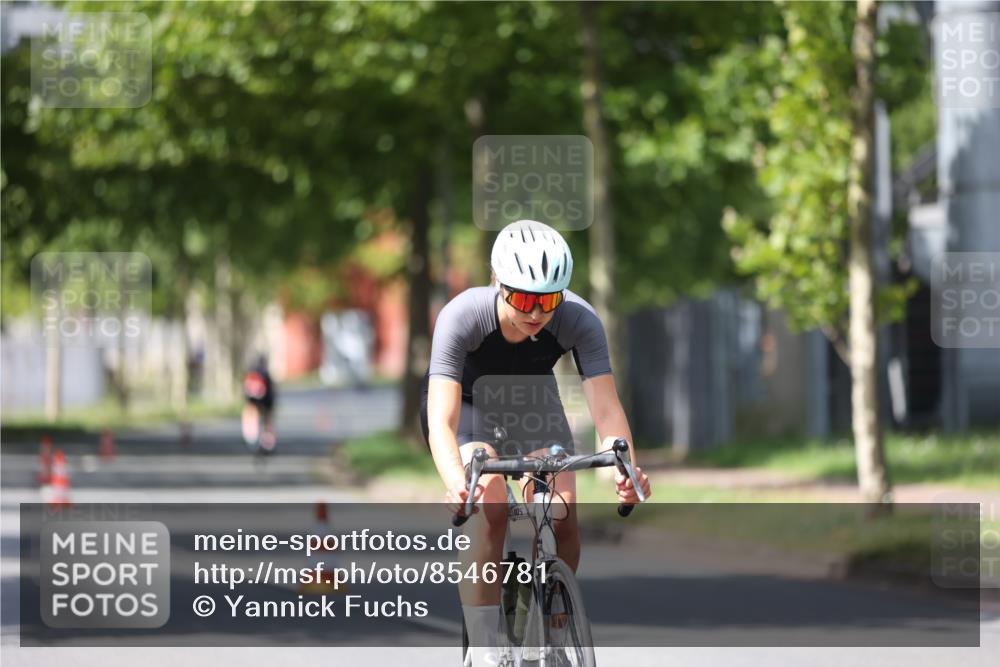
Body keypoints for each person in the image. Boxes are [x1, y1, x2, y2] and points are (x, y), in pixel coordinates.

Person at [419, 219, 652, 664]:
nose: (537, 312)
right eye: (524, 298)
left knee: (562, 512)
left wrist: (626, 472)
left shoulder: (578, 319)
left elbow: (606, 408)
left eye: (548, 299)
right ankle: (485, 647)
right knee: (491, 510)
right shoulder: (462, 315)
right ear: (497, 284)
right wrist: (457, 483)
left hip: (531, 407)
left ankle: (555, 630)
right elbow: (441, 418)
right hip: (467, 407)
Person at [242, 354, 277, 453]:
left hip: (253, 400)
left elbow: (246, 389)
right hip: (267, 401)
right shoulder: (266, 373)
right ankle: (268, 443)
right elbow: (271, 390)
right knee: (267, 421)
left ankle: (252, 438)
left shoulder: (252, 372)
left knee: (252, 418)